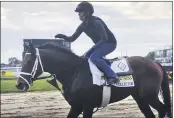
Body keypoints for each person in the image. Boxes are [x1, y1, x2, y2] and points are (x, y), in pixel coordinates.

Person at [55, 1, 120, 85]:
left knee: (94, 57)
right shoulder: (82, 26)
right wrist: (62, 36)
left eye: (80, 12)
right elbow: (72, 39)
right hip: (100, 44)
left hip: (110, 43)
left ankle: (113, 76)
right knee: (85, 58)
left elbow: (104, 39)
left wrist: (92, 49)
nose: (78, 14)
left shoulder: (97, 22)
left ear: (87, 13)